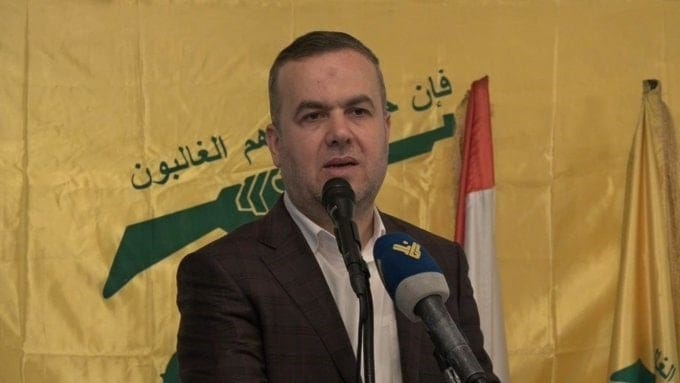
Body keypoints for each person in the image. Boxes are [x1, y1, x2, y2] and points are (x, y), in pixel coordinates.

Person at [176, 31, 500, 383]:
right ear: (276, 144)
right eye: (314, 116)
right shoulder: (223, 274)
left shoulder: (439, 261)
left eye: (358, 111)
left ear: (386, 129)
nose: (340, 133)